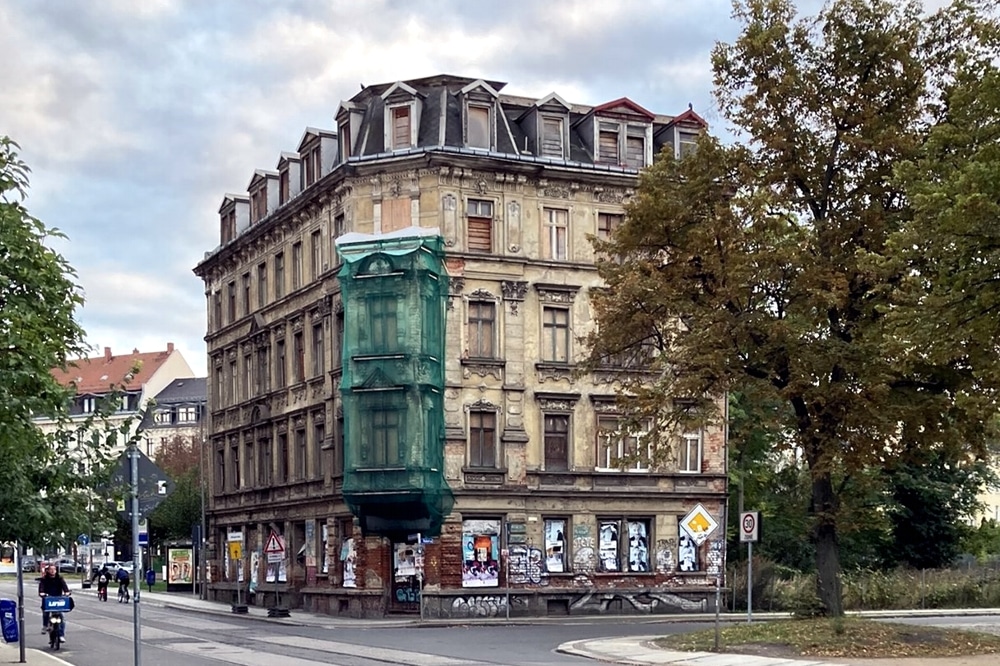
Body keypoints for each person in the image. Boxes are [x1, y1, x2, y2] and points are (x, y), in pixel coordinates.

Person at [37, 564, 70, 643]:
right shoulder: (44, 579)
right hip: (48, 600)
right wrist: (42, 593)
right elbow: (41, 588)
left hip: (58, 600)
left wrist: (66, 592)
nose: (52, 571)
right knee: (46, 613)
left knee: (62, 617)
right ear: (47, 571)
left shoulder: (59, 578)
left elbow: (65, 587)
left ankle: (61, 635)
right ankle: (45, 626)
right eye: (51, 569)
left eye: (54, 569)